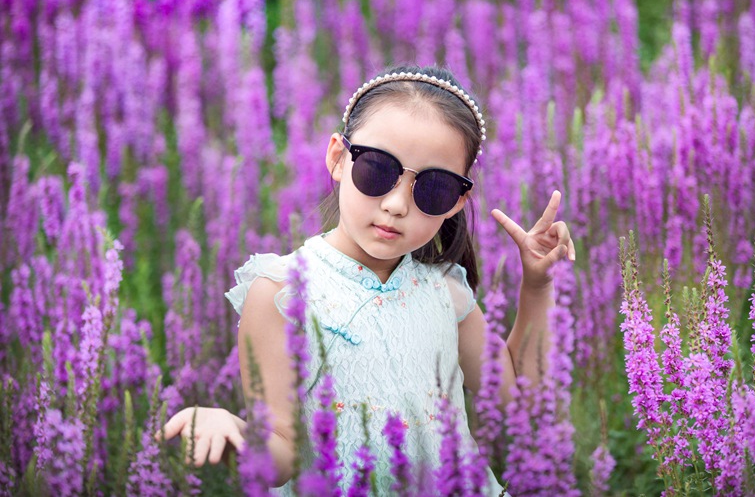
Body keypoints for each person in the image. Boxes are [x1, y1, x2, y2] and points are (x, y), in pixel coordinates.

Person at [160, 65, 575, 495]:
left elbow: (518, 399)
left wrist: (536, 287)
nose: (396, 204)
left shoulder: (445, 292)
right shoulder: (281, 292)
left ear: (457, 202)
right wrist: (235, 431)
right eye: (377, 170)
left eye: (433, 189)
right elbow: (281, 452)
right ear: (338, 158)